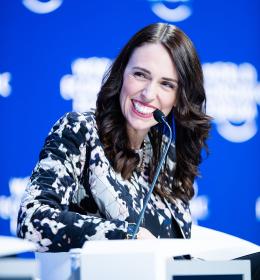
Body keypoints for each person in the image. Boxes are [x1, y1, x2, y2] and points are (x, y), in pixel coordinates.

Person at [17, 23, 211, 252]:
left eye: (166, 84)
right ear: (122, 74)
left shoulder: (167, 156)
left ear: (179, 97)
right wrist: (126, 236)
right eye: (140, 75)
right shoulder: (81, 131)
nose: (148, 94)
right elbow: (32, 220)